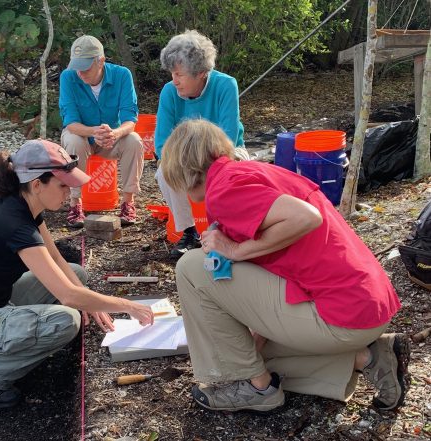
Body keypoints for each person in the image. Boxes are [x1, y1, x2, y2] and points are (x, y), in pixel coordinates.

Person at [160, 119, 410, 413]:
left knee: (192, 267)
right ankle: (371, 358)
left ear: (185, 168)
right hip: (363, 306)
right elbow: (275, 264)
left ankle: (258, 389)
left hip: (342, 314)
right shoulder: (248, 172)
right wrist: (253, 344)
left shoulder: (224, 190)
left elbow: (306, 217)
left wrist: (234, 250)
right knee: (247, 356)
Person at [0, 139, 154, 408]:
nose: (69, 192)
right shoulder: (14, 223)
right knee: (65, 321)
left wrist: (92, 299)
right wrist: (126, 306)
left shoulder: (25, 205)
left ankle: (5, 347)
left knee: (77, 273)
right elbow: (67, 296)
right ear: (37, 184)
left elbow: (56, 259)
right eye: (63, 185)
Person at [155, 30, 248, 259]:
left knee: (237, 167)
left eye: (179, 74)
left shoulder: (226, 85)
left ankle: (229, 227)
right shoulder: (169, 92)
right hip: (184, 158)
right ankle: (189, 231)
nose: (174, 80)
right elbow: (161, 143)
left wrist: (205, 163)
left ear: (202, 74)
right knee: (163, 171)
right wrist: (181, 162)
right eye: (171, 74)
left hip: (225, 153)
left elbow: (229, 138)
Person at [59, 35, 144, 228]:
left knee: (134, 140)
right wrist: (93, 131)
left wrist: (115, 133)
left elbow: (130, 120)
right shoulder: (68, 77)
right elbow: (70, 122)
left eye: (85, 67)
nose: (80, 73)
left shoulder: (122, 75)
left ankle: (128, 202)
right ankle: (75, 203)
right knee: (73, 141)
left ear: (101, 61)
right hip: (82, 135)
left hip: (111, 137)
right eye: (77, 67)